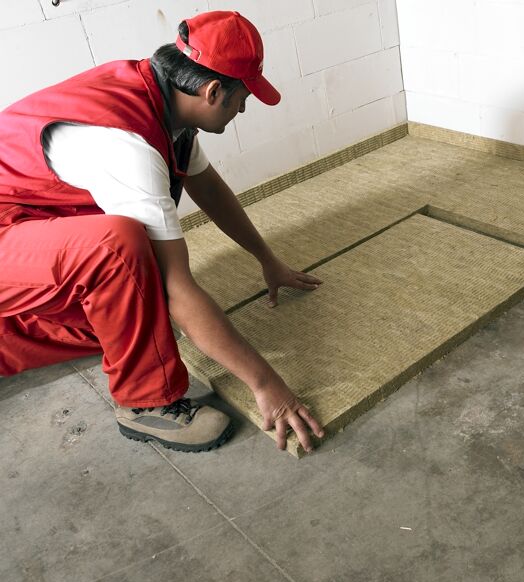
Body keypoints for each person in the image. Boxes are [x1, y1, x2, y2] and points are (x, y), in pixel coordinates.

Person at [0, 11, 325, 453]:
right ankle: (145, 403)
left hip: (29, 223)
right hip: (10, 233)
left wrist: (267, 260)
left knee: (135, 319)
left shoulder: (164, 102)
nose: (243, 110)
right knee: (118, 252)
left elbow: (208, 188)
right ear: (213, 91)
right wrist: (268, 386)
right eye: (243, 98)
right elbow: (178, 288)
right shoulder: (126, 144)